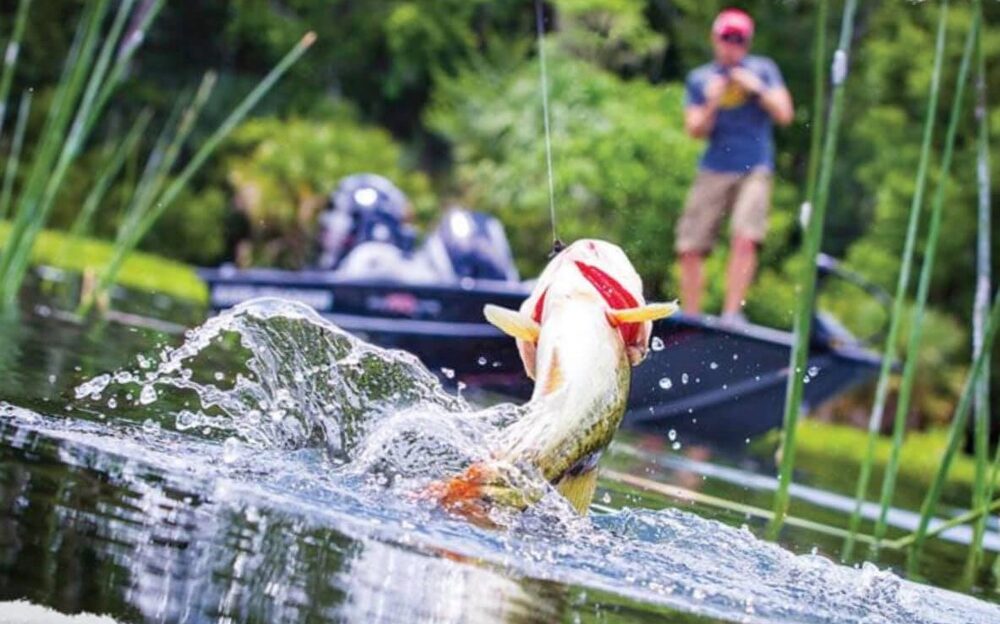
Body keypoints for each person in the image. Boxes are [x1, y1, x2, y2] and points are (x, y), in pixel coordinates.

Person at [676, 8, 794, 323]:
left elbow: (785, 114)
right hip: (714, 166)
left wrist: (756, 88)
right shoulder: (700, 79)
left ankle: (731, 314)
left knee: (745, 237)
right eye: (727, 38)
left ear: (748, 42)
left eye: (739, 39)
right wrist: (713, 100)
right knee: (690, 246)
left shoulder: (764, 70)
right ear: (715, 39)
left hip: (754, 167)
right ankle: (691, 317)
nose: (732, 45)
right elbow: (694, 129)